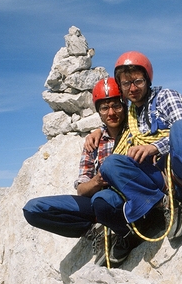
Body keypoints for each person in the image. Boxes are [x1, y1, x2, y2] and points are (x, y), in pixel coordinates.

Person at [86, 51, 182, 241]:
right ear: (120, 87)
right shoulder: (131, 115)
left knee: (180, 127)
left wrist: (154, 147)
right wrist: (99, 130)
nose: (132, 88)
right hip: (158, 181)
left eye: (137, 81)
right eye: (126, 83)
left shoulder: (165, 97)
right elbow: (113, 123)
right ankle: (165, 205)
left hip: (178, 171)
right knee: (110, 164)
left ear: (147, 79)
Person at [23, 77, 142, 267]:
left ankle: (124, 232)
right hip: (96, 200)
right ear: (99, 112)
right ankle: (96, 228)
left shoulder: (136, 129)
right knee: (33, 209)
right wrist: (96, 181)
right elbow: (81, 189)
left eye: (116, 106)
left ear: (124, 106)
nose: (111, 113)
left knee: (101, 202)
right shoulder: (93, 143)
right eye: (104, 108)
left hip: (122, 199)